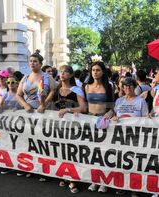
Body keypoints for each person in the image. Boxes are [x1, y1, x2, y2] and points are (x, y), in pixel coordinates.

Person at [45, 65, 86, 193]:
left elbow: (84, 108)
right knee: (60, 150)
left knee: (71, 152)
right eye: (61, 72)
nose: (62, 74)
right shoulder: (55, 89)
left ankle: (73, 179)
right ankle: (63, 174)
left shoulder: (76, 90)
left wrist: (68, 109)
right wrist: (42, 96)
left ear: (71, 75)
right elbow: (45, 105)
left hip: (73, 126)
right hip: (58, 126)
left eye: (66, 72)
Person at [112, 77, 147, 197]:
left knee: (134, 163)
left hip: (135, 137)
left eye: (130, 86)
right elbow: (115, 115)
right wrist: (114, 118)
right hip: (120, 137)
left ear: (135, 87)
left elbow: (146, 119)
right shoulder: (119, 101)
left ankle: (135, 188)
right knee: (121, 162)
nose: (127, 88)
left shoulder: (141, 101)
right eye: (125, 86)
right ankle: (123, 185)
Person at [85, 61, 114, 193]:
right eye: (93, 70)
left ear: (102, 72)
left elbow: (112, 107)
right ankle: (94, 180)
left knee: (103, 152)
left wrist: (109, 114)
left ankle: (104, 182)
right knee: (92, 152)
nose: (95, 72)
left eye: (97, 70)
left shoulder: (109, 86)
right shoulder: (86, 86)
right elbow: (84, 106)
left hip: (103, 122)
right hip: (90, 120)